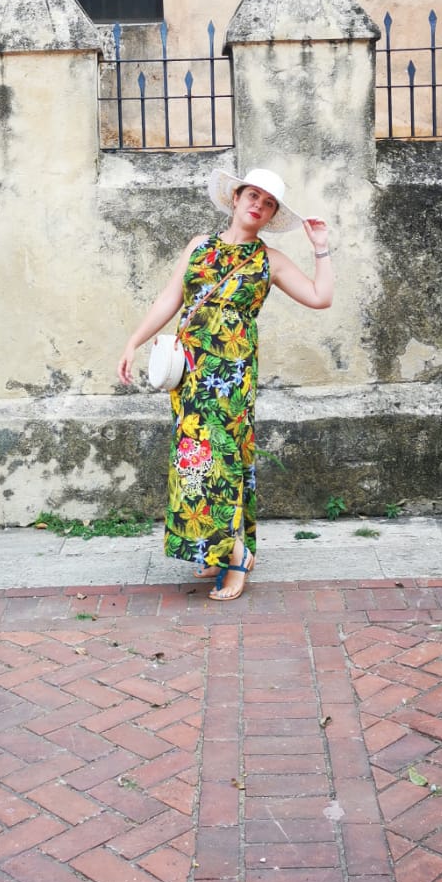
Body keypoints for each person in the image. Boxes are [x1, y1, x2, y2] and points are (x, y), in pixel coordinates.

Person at [117, 167, 333, 601]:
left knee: (223, 459)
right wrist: (133, 342)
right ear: (235, 198)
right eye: (252, 195)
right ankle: (214, 548)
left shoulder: (269, 260)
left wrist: (322, 250)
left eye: (268, 203)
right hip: (191, 373)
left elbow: (319, 297)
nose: (258, 205)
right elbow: (170, 298)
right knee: (192, 460)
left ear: (270, 216)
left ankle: (237, 555)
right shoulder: (200, 247)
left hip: (232, 374)